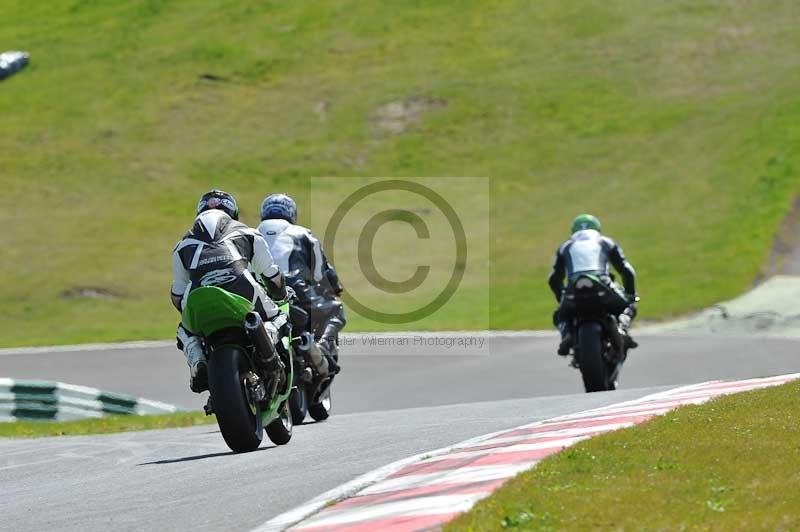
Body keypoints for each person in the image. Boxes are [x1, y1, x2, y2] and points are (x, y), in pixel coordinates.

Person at [171, 189, 288, 392]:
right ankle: (268, 346)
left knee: (184, 330)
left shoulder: (181, 245)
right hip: (242, 288)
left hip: (199, 296)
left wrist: (190, 315)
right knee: (280, 316)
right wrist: (281, 295)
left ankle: (197, 358)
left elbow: (177, 295)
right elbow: (271, 275)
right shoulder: (249, 233)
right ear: (232, 213)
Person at [257, 193, 345, 377]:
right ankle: (319, 349)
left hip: (257, 295)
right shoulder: (303, 233)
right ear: (291, 213)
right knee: (335, 310)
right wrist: (335, 287)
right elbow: (320, 273)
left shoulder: (250, 233)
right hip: (296, 293)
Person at [548, 214, 638, 356]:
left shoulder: (565, 247)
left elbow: (553, 279)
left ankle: (566, 334)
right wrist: (631, 295)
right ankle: (622, 330)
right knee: (628, 307)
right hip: (602, 283)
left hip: (574, 288)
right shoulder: (606, 242)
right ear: (598, 228)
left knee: (560, 315)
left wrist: (562, 299)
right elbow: (627, 271)